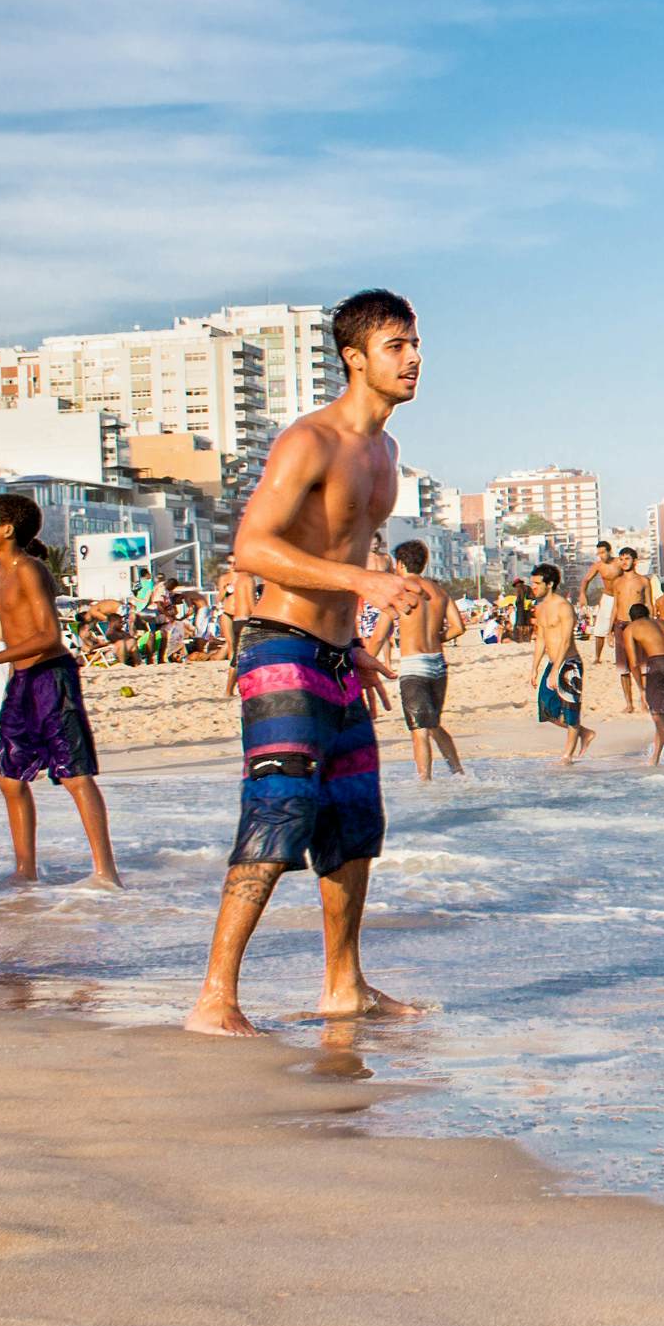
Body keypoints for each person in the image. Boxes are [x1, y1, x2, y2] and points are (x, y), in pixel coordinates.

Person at [185, 289, 432, 1037]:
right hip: (279, 646)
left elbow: (340, 545)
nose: (414, 357)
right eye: (396, 346)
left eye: (415, 342)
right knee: (279, 809)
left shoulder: (385, 451)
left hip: (333, 655)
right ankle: (215, 998)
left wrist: (352, 642)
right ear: (355, 357)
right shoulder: (310, 441)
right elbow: (251, 547)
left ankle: (343, 985)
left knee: (354, 822)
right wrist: (364, 585)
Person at [0, 493, 122, 888]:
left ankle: (106, 873)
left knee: (74, 775)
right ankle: (25, 870)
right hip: (23, 680)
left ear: (7, 529)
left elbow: (49, 635)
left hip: (51, 678)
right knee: (9, 777)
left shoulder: (29, 569)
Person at [385, 539, 465, 780]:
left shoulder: (402, 591)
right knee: (433, 724)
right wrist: (437, 637)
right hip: (438, 664)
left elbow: (381, 633)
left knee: (419, 730)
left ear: (400, 563)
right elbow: (458, 627)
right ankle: (459, 773)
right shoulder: (439, 592)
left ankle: (424, 784)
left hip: (414, 665)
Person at [528, 563, 593, 763]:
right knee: (546, 709)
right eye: (532, 583)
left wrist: (557, 669)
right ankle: (585, 733)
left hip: (569, 664)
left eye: (537, 583)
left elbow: (566, 640)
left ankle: (567, 756)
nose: (534, 587)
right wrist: (535, 667)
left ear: (550, 584)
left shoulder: (563, 607)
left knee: (570, 709)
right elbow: (540, 638)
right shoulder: (540, 608)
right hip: (552, 663)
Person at [623, 600, 664, 765]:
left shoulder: (631, 628)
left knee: (658, 716)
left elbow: (633, 663)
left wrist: (642, 689)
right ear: (647, 614)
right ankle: (655, 759)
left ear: (632, 618)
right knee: (663, 715)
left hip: (660, 663)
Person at [605, 549, 649, 713]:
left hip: (639, 624)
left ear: (635, 561)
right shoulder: (617, 582)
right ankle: (629, 703)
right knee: (623, 668)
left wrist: (651, 625)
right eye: (621, 559)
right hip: (621, 625)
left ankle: (644, 699)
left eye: (627, 559)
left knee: (642, 665)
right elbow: (615, 606)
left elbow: (649, 605)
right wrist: (609, 630)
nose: (624, 562)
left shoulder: (644, 581)